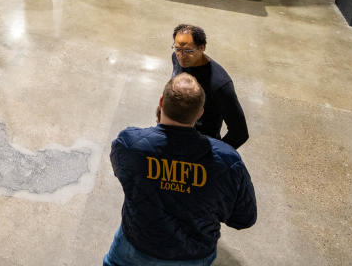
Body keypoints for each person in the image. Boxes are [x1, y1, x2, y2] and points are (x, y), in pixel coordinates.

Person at [104, 73, 256, 266]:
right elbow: (244, 218)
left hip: (136, 245)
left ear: (161, 101)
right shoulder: (228, 161)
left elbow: (121, 172)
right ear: (200, 113)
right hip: (191, 255)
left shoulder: (130, 144)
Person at [170, 24, 249, 149]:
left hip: (199, 146)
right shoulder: (176, 58)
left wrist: (213, 156)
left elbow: (239, 133)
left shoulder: (220, 85)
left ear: (202, 47)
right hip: (174, 137)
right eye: (177, 49)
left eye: (189, 51)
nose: (182, 55)